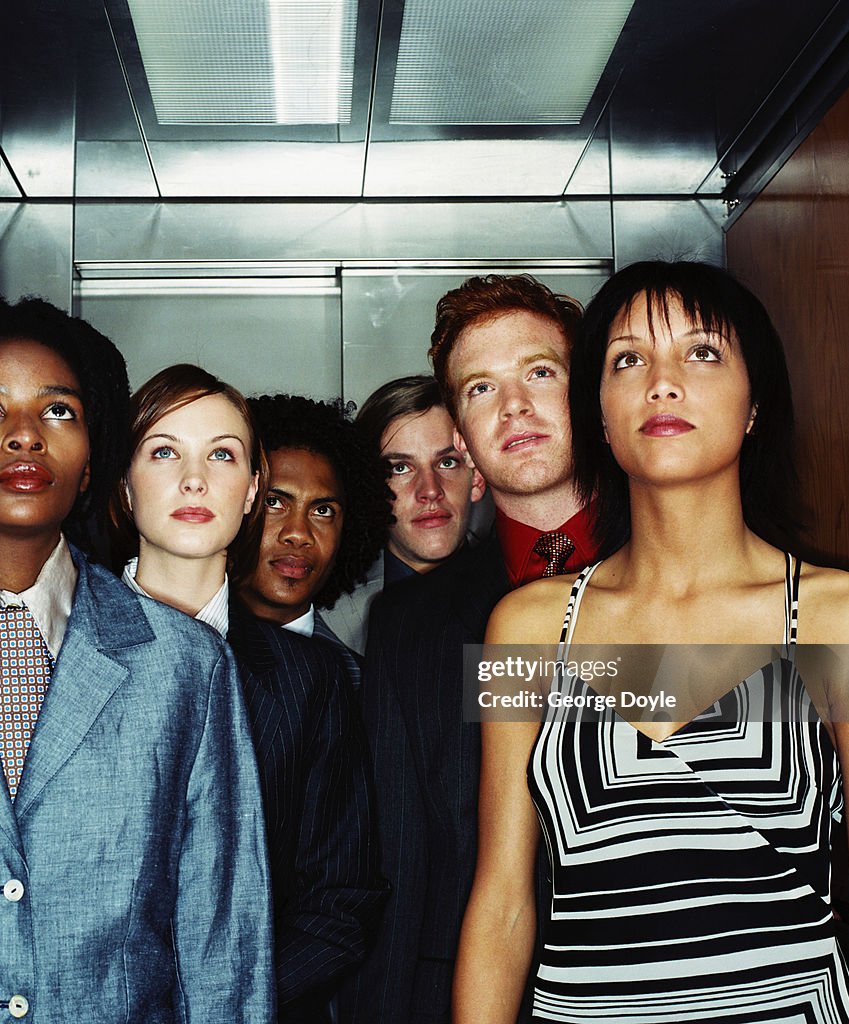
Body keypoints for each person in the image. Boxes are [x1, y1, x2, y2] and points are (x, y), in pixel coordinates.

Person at [454, 260, 849, 1023]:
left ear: (754, 406)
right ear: (600, 414)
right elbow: (501, 907)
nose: (662, 381)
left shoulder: (843, 617)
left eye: (702, 352)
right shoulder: (523, 627)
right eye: (627, 359)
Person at [0, 298, 273, 1023]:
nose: (24, 436)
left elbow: (221, 942)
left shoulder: (185, 668)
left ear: (90, 467)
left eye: (58, 412)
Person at [341, 275, 592, 1023]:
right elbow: (402, 866)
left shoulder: (714, 582)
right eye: (481, 388)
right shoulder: (407, 626)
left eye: (540, 372)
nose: (514, 405)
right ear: (465, 439)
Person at [115, 365, 387, 1023]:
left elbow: (340, 899)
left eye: (222, 456)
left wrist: (221, 1007)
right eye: (164, 453)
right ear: (123, 486)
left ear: (244, 487)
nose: (194, 479)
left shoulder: (315, 678)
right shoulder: (41, 644)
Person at [325, 375, 486, 656]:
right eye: (400, 468)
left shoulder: (526, 598)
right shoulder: (324, 617)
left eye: (447, 463)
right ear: (369, 487)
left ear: (477, 479)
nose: (430, 491)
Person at [237, 393, 391, 681]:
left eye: (322, 510)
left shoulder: (362, 686)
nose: (298, 533)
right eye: (274, 502)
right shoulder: (178, 653)